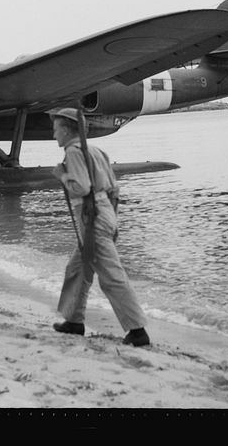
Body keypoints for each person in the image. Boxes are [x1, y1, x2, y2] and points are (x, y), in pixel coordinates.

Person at [48, 108, 150, 347]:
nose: (54, 136)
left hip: (90, 217)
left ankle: (137, 331)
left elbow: (81, 188)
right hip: (104, 212)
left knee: (111, 275)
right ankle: (73, 321)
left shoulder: (73, 152)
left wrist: (62, 176)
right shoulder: (95, 150)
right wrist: (112, 221)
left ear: (66, 130)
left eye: (55, 130)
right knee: (77, 270)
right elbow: (115, 188)